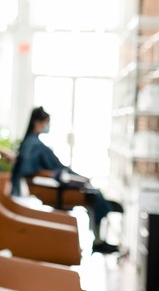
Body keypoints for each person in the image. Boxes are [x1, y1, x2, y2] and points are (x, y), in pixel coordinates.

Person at [10, 106, 120, 254]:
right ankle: (99, 240)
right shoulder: (34, 144)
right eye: (47, 122)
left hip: (57, 181)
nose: (48, 126)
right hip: (54, 188)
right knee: (95, 195)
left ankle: (100, 236)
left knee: (95, 193)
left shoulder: (32, 142)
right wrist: (66, 177)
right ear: (38, 122)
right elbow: (35, 171)